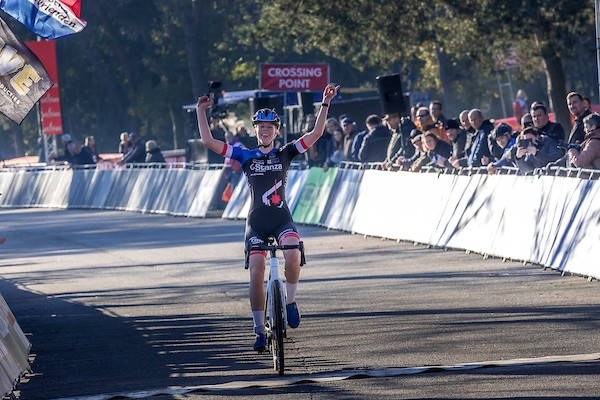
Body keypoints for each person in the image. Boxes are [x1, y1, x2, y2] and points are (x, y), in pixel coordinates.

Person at [196, 84, 340, 352]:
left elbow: (316, 133)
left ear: (277, 130)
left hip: (282, 219)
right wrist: (201, 111)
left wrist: (325, 103)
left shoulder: (284, 152)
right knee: (256, 272)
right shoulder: (245, 155)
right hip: (257, 224)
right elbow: (208, 142)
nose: (265, 130)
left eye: (269, 127)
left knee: (294, 253)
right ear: (255, 130)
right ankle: (259, 329)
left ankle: (289, 301)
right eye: (260, 127)